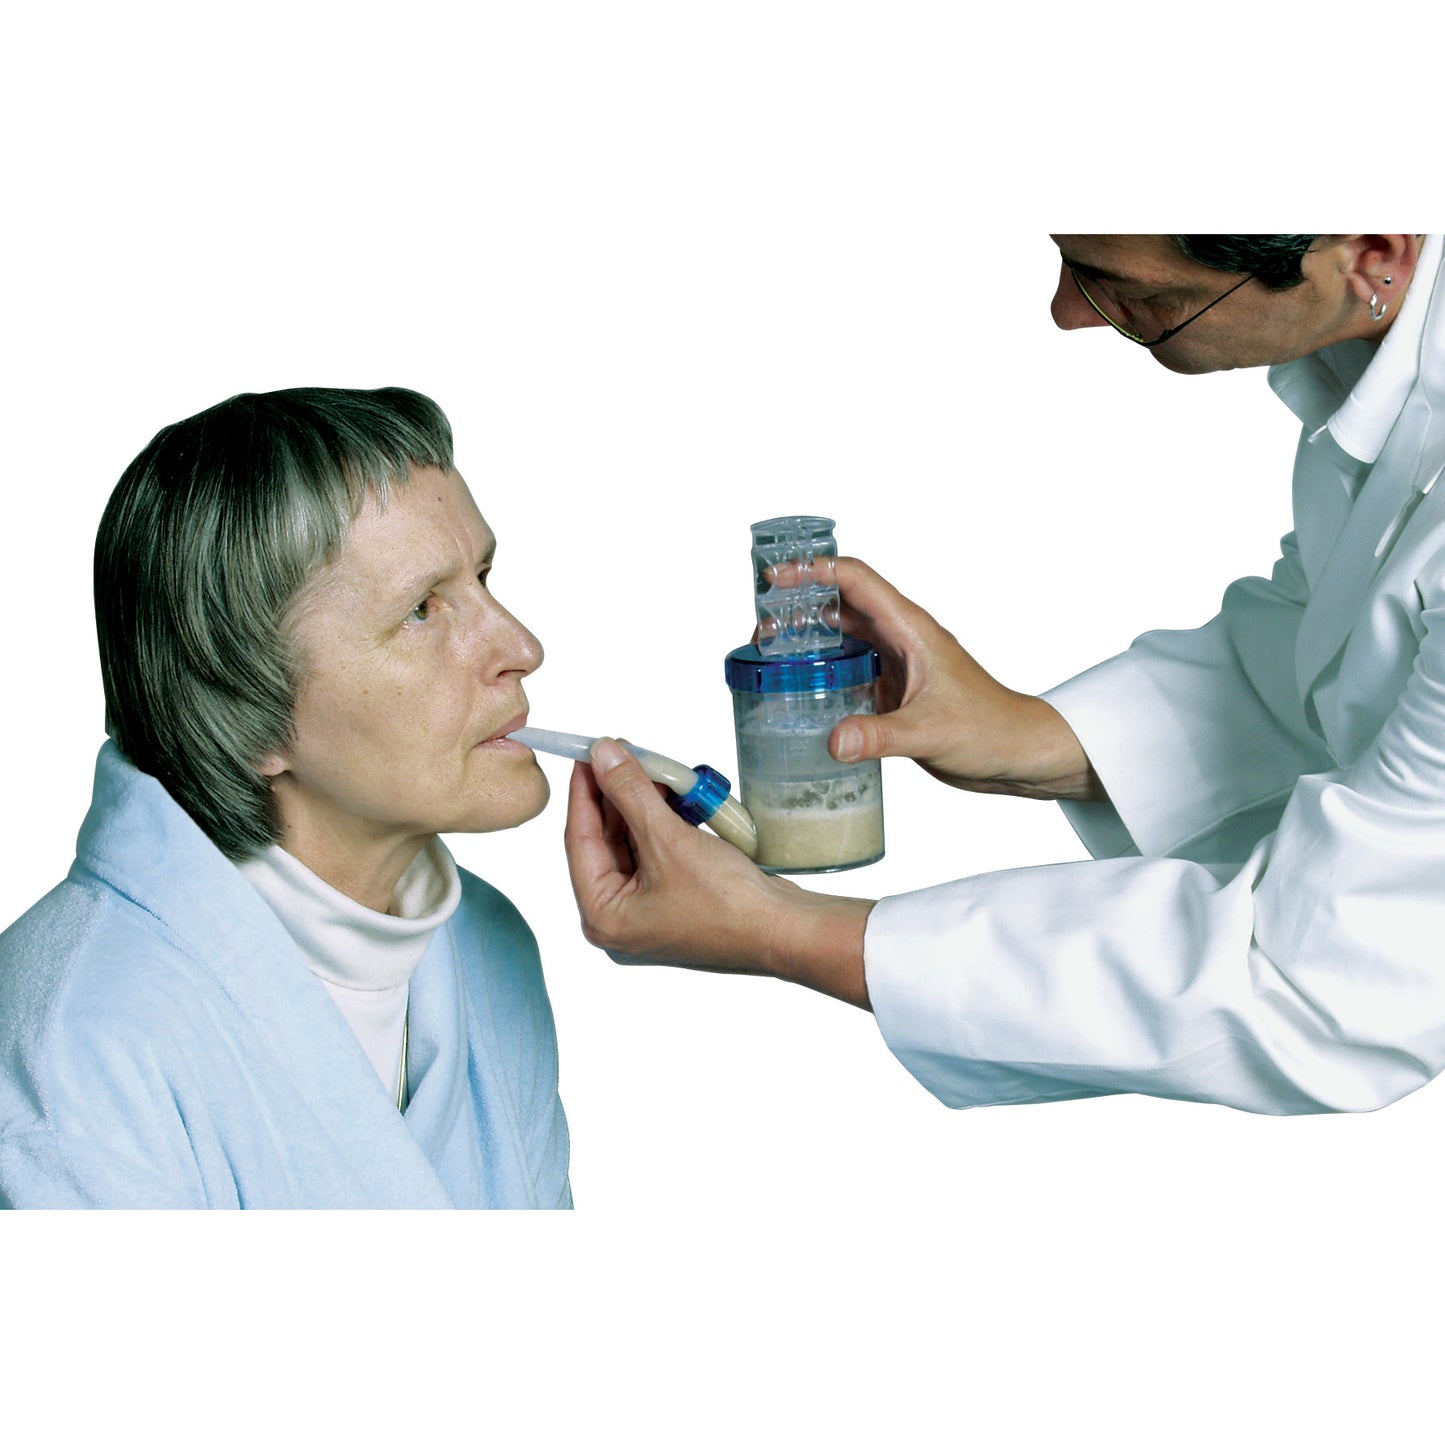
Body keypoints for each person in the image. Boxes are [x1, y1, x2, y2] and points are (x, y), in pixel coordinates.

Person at [562, 233, 1445, 1116]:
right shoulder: (1380, 364)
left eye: (1126, 291)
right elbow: (1332, 636)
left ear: (1373, 258)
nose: (1065, 311)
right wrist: (1027, 736)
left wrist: (784, 931)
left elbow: (1322, 983)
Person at [0, 387, 572, 1207]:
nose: (522, 647)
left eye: (482, 575)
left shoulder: (490, 944)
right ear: (246, 713)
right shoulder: (80, 1055)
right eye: (420, 610)